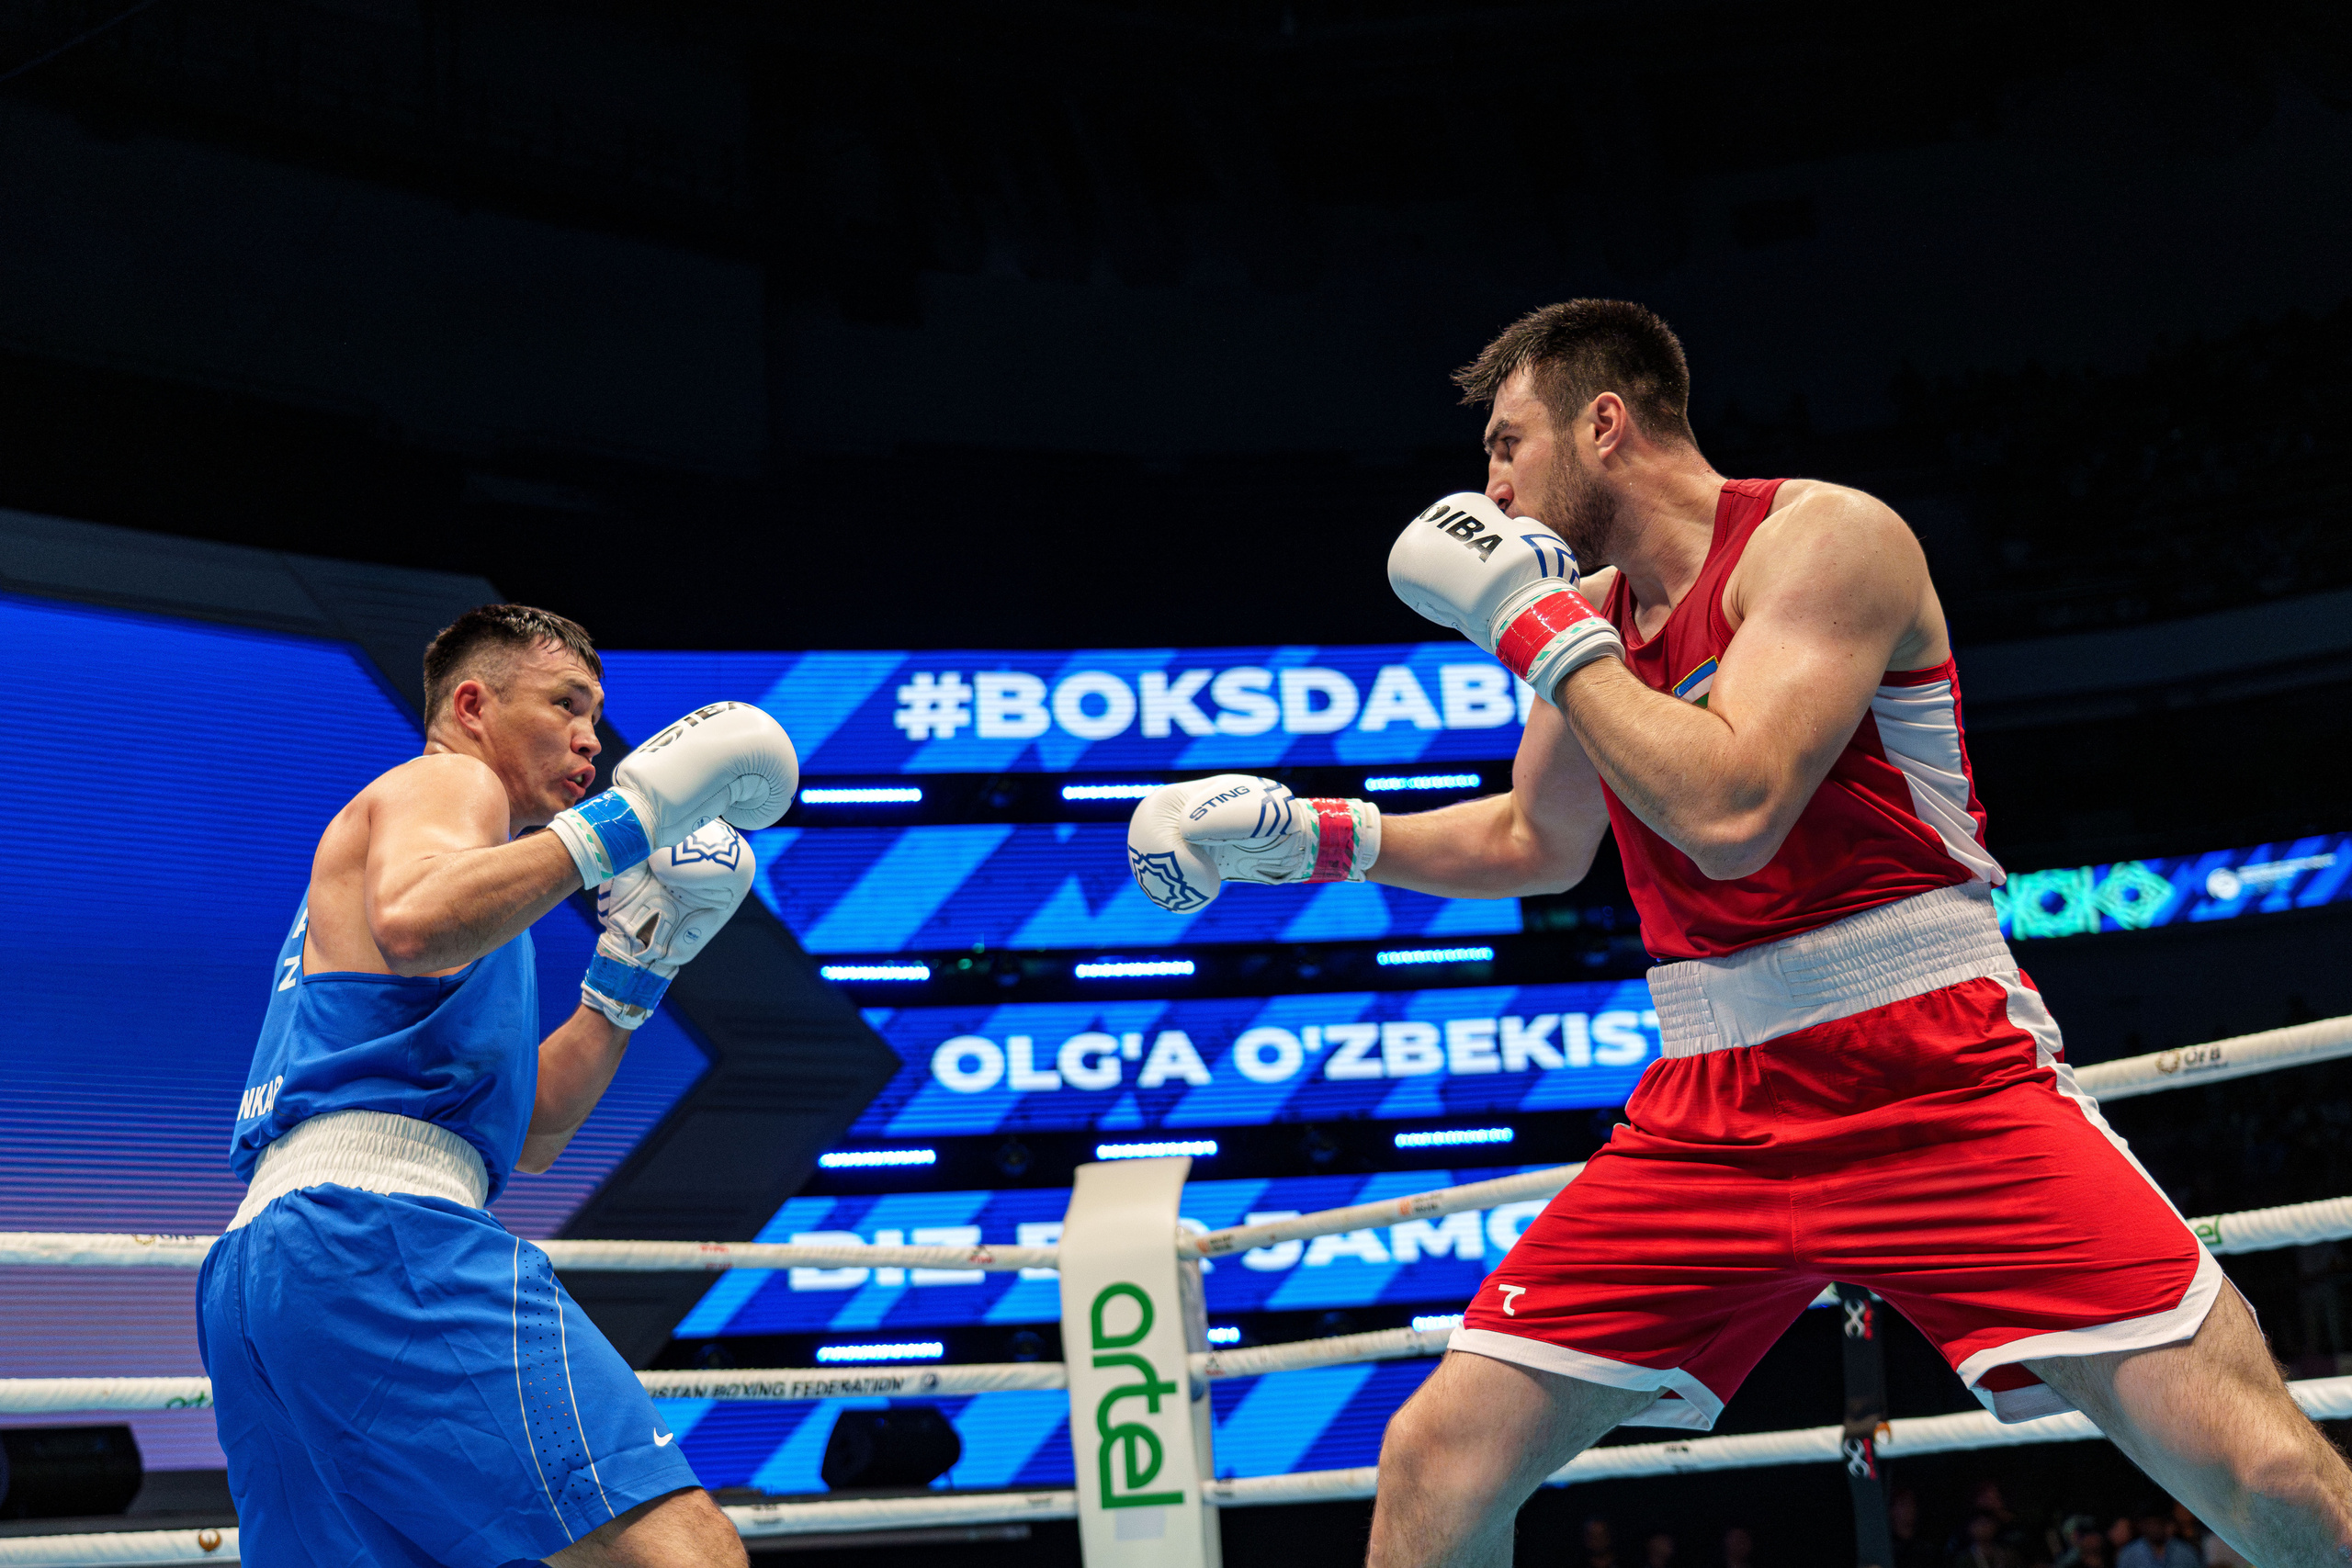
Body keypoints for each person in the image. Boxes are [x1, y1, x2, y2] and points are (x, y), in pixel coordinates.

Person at [1122, 300, 2352, 1568]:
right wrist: (1320, 833)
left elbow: (1735, 808)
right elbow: (1536, 842)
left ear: (1605, 424)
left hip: (1937, 1074)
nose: (1487, 487)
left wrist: (1537, 631)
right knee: (1439, 1461)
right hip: (1711, 1105)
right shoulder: (1595, 619)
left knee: (2259, 1468)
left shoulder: (1825, 541)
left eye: (1506, 444)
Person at [197, 605, 797, 1567]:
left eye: (597, 719)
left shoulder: (477, 894)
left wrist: (635, 967)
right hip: (379, 1238)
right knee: (684, 1553)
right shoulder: (450, 781)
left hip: (270, 1269)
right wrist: (627, 822)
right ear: (472, 704)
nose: (590, 739)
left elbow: (529, 1135)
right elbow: (418, 919)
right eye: (565, 704)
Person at [2118, 1505, 2201, 1568]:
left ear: (2165, 1524)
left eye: (2157, 1523)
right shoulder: (2130, 1554)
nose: (2154, 1528)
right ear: (2143, 1526)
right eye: (2150, 1524)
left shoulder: (2184, 1552)